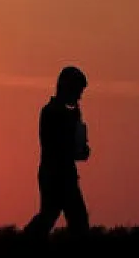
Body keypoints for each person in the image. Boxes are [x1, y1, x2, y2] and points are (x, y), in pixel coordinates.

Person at [24, 67, 91, 240]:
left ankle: (22, 244)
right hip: (56, 173)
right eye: (77, 90)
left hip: (59, 172)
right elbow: (56, 145)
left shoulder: (61, 113)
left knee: (51, 216)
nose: (79, 96)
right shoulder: (53, 113)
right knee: (72, 220)